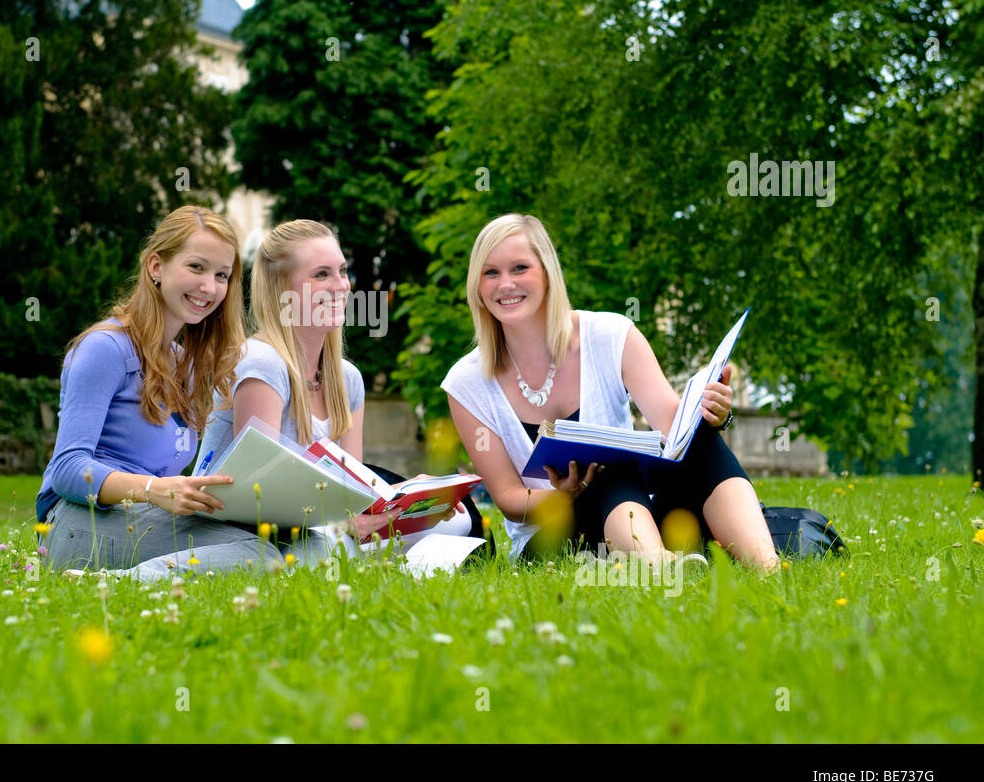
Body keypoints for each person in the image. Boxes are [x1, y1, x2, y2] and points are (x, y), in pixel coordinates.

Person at [440, 213, 779, 570]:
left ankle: (767, 567)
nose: (505, 284)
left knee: (696, 442)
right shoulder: (466, 381)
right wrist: (564, 495)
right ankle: (656, 567)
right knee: (603, 471)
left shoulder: (612, 334)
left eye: (520, 268)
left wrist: (716, 413)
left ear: (547, 272)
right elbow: (509, 499)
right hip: (555, 537)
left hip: (636, 511)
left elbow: (674, 428)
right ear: (477, 286)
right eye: (491, 273)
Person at [197, 219, 487, 564]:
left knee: (459, 519)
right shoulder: (262, 363)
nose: (341, 286)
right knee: (328, 549)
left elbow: (354, 487)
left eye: (342, 271)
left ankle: (395, 559)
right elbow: (259, 493)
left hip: (314, 523)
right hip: (247, 526)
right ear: (282, 291)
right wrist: (345, 522)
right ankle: (396, 562)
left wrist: (407, 498)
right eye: (321, 275)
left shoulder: (346, 378)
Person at [36, 205, 283, 577]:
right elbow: (68, 469)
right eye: (196, 267)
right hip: (78, 520)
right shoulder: (105, 348)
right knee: (261, 556)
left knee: (288, 542)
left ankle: (132, 577)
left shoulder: (186, 364)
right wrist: (154, 489)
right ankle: (117, 583)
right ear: (156, 266)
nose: (209, 287)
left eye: (222, 275)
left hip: (144, 515)